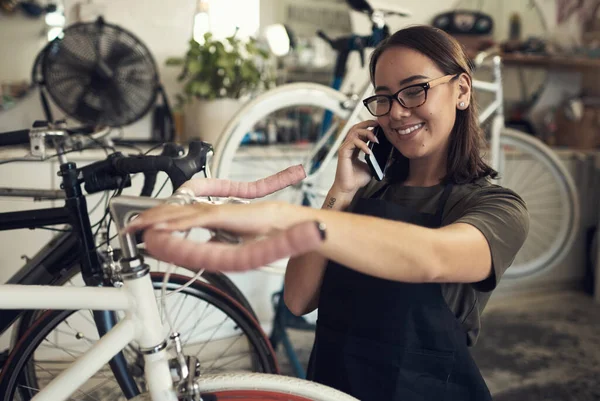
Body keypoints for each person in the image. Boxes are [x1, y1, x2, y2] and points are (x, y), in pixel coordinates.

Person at [126, 25, 529, 401]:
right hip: (333, 387)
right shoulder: (364, 194)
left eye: (415, 90)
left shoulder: (496, 208)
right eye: (384, 97)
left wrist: (284, 220)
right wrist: (341, 190)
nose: (397, 112)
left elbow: (432, 257)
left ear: (461, 90)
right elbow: (299, 300)